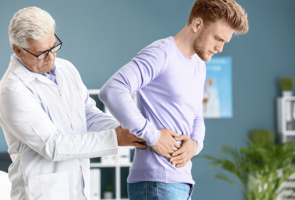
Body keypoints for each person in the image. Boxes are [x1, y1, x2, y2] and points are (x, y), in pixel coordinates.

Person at [99, 0, 249, 199]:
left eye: (224, 42)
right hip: (155, 182)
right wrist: (153, 136)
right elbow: (112, 90)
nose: (220, 48)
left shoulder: (199, 65)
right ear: (197, 25)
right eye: (217, 39)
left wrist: (195, 144)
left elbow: (197, 113)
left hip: (181, 182)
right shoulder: (161, 53)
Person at [0, 7, 146, 200]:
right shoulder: (12, 90)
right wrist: (116, 138)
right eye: (41, 53)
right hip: (43, 194)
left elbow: (88, 116)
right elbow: (52, 146)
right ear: (17, 50)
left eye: (53, 47)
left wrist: (130, 130)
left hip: (78, 189)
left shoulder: (66, 69)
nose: (51, 58)